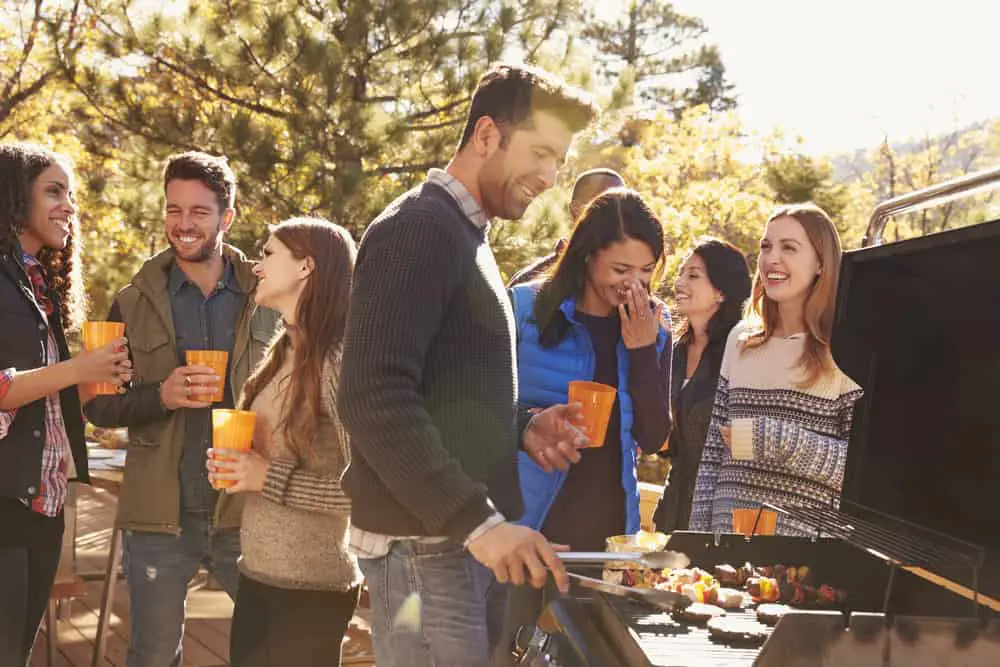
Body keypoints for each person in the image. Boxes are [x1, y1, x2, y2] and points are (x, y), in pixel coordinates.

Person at [337, 63, 598, 667]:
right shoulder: (420, 229)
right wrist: (478, 523)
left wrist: (522, 426)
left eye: (558, 159)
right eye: (539, 151)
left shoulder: (465, 237)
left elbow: (440, 396)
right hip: (424, 550)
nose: (550, 176)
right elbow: (373, 396)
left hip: (448, 548)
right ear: (486, 135)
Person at [84, 151, 279, 667]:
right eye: (174, 210)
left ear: (227, 217)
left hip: (248, 511)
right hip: (160, 515)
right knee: (151, 655)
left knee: (274, 649)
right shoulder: (133, 301)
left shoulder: (270, 295)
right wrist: (160, 396)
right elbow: (99, 408)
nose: (183, 224)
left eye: (198, 212)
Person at [207, 218, 361, 667]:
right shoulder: (281, 352)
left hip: (312, 590)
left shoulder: (339, 359)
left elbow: (368, 489)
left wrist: (266, 476)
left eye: (269, 254)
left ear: (306, 267)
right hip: (256, 572)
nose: (256, 266)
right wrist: (234, 467)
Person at [0, 143, 130, 664]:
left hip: (44, 504)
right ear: (12, 197)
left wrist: (92, 383)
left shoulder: (38, 285)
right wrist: (79, 368)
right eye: (54, 191)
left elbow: (42, 397)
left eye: (70, 194)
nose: (69, 206)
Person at [511, 188, 672, 550]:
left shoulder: (655, 324)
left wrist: (643, 350)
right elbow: (477, 407)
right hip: (526, 529)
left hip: (609, 537)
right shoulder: (524, 309)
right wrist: (529, 421)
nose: (634, 283)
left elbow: (652, 439)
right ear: (586, 255)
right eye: (621, 269)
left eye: (646, 270)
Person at [688, 204, 863, 537]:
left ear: (821, 264)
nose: (771, 259)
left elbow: (857, 473)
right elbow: (711, 459)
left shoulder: (847, 349)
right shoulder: (739, 339)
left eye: (789, 248)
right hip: (729, 549)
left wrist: (777, 439)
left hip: (803, 557)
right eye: (766, 246)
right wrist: (698, 542)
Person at [653, 237, 751, 533]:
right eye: (681, 272)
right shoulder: (674, 349)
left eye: (693, 275)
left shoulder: (741, 352)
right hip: (672, 511)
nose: (679, 282)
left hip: (719, 516)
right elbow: (665, 442)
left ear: (721, 292)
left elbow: (748, 443)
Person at [507, 168, 624, 287]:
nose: (616, 213)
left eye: (623, 205)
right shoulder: (530, 282)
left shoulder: (636, 280)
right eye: (605, 205)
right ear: (576, 210)